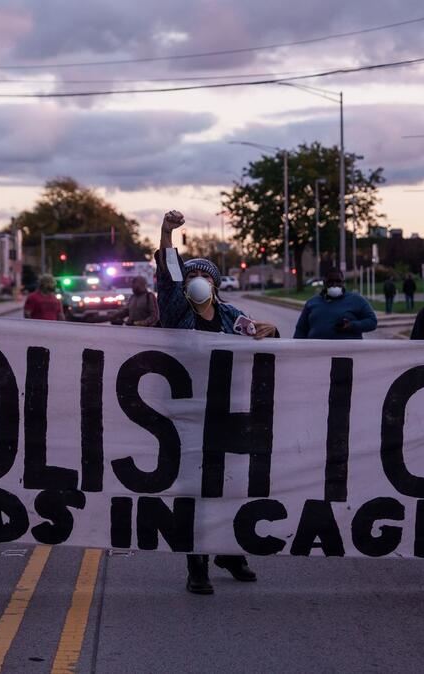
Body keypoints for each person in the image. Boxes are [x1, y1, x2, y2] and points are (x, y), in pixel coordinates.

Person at [156, 209, 276, 596]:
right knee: (195, 489)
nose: (196, 282)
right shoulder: (177, 314)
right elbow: (167, 276)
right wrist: (166, 234)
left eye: (203, 276)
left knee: (229, 485)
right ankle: (197, 563)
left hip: (227, 411)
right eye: (191, 276)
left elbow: (265, 346)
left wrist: (271, 332)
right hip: (189, 414)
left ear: (215, 283)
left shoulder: (231, 316)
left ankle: (229, 551)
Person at [293, 269, 377, 340]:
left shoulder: (357, 300)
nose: (334, 285)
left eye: (338, 281)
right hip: (316, 354)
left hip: (347, 354)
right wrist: (295, 349)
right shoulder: (312, 302)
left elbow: (372, 322)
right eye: (330, 282)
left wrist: (351, 325)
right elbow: (301, 329)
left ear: (343, 282)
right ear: (324, 283)